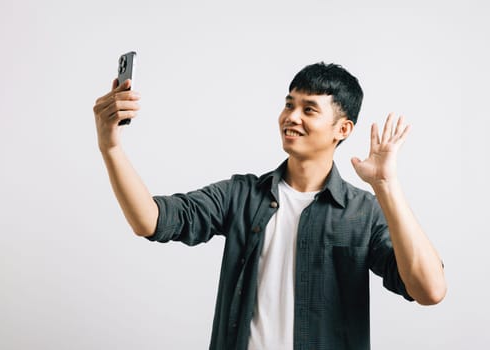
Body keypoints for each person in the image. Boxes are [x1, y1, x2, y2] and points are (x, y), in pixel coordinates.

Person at [93, 62, 447, 350]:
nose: (291, 116)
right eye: (289, 104)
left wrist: (386, 186)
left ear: (343, 129)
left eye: (309, 109)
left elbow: (429, 290)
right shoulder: (241, 194)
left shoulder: (363, 211)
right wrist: (111, 147)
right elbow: (151, 221)